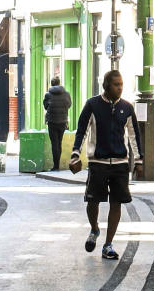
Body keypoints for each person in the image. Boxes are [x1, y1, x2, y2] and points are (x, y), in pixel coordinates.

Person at [69, 70, 141, 261]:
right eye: (116, 84)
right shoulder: (92, 105)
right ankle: (94, 229)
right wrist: (75, 153)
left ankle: (108, 245)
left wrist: (139, 160)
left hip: (120, 164)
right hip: (97, 162)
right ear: (106, 86)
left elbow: (134, 135)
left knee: (116, 203)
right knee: (93, 201)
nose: (120, 88)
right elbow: (82, 131)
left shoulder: (127, 107)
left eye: (122, 84)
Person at [43, 73, 72, 171]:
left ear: (51, 84)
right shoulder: (66, 94)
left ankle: (56, 166)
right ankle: (57, 165)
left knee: (54, 143)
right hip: (63, 121)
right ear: (59, 83)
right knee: (59, 143)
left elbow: (46, 106)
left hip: (52, 122)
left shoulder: (48, 94)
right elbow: (69, 105)